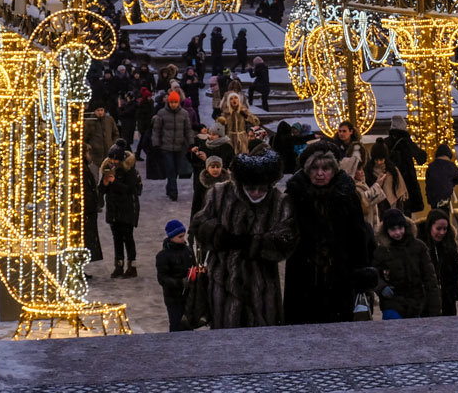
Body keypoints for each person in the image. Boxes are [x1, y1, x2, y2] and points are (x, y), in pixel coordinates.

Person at [191, 150, 297, 328]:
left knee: (262, 340)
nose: (256, 193)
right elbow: (199, 225)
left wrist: (255, 243)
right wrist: (219, 236)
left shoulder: (279, 201)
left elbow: (287, 239)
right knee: (226, 338)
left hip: (262, 286)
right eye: (250, 187)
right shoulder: (219, 194)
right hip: (223, 281)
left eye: (262, 188)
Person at [284, 141, 376, 324]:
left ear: (334, 170)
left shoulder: (347, 195)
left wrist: (362, 278)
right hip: (303, 279)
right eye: (314, 168)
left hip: (341, 278)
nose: (320, 173)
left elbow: (359, 238)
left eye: (326, 168)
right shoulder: (296, 195)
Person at [373, 208, 440, 319]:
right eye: (393, 229)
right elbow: (374, 275)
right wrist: (382, 287)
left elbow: (430, 278)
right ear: (386, 231)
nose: (398, 233)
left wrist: (435, 307)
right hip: (392, 301)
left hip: (416, 301)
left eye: (400, 228)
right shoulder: (382, 251)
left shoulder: (418, 247)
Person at [99, 143, 143, 278]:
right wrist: (105, 184)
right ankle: (118, 265)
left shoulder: (129, 171)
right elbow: (101, 190)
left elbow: (130, 190)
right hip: (114, 209)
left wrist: (114, 182)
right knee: (117, 238)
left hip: (127, 209)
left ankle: (132, 266)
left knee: (128, 237)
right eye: (111, 159)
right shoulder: (108, 169)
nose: (113, 162)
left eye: (115, 159)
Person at [417, 209, 458, 316]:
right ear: (430, 227)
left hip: (448, 299)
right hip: (426, 300)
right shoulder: (419, 245)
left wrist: (455, 294)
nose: (442, 232)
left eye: (445, 229)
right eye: (438, 229)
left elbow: (456, 270)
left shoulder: (450, 244)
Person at [151, 90, 192, 202]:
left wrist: (191, 142)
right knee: (170, 168)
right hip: (166, 146)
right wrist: (156, 143)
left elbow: (188, 130)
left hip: (180, 146)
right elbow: (156, 130)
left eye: (175, 102)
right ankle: (174, 192)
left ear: (178, 102)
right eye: (172, 102)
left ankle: (169, 187)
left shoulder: (184, 114)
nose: (173, 104)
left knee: (176, 170)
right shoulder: (161, 113)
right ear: (168, 102)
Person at [156, 220, 195, 332]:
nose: (183, 239)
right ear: (171, 237)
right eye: (180, 237)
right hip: (173, 298)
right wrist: (180, 282)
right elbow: (162, 278)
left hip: (188, 296)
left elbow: (193, 266)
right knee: (176, 324)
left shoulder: (188, 251)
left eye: (183, 236)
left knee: (188, 324)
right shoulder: (163, 256)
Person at [385, 115, 428, 215]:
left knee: (391, 210)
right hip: (407, 183)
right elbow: (421, 159)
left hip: (390, 181)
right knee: (406, 212)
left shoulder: (385, 142)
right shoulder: (407, 142)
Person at [366, 140, 408, 219]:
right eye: (376, 159)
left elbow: (399, 191)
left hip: (392, 206)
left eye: (381, 159)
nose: (378, 162)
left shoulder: (393, 171)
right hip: (375, 207)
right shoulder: (368, 171)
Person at [424, 143, 458, 212]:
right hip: (445, 198)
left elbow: (428, 181)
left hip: (433, 198)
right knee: (444, 216)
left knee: (435, 215)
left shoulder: (431, 166)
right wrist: (452, 182)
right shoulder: (450, 166)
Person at [84, 106, 120, 176]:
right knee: (95, 177)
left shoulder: (109, 120)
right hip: (94, 157)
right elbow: (85, 138)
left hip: (108, 155)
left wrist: (113, 145)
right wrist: (89, 148)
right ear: (94, 111)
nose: (100, 112)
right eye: (98, 110)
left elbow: (116, 133)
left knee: (108, 176)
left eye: (102, 110)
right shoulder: (89, 122)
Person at [82, 145, 103, 265]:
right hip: (87, 210)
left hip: (88, 209)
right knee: (86, 239)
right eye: (89, 153)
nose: (90, 156)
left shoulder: (85, 168)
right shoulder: (83, 170)